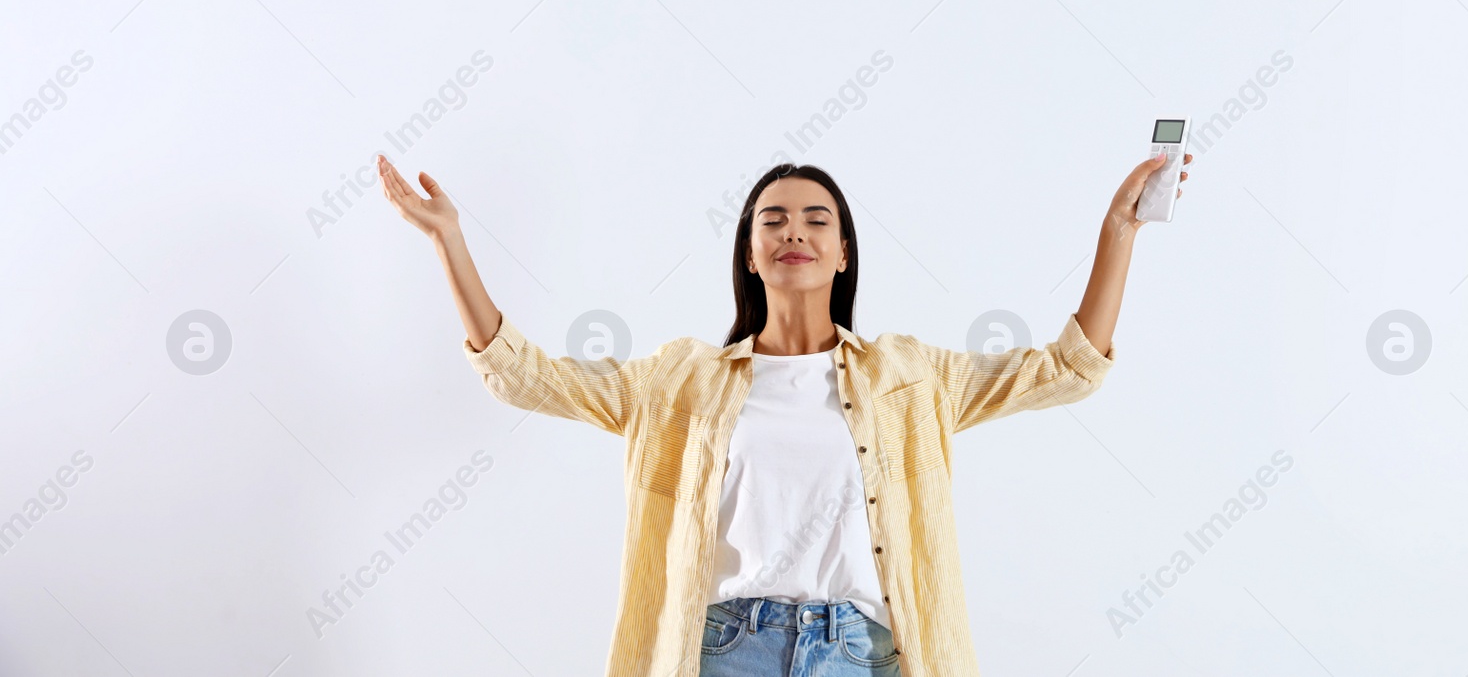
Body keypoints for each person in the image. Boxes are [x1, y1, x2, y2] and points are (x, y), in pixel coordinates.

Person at [378, 150, 1188, 677]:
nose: (792, 230)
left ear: (843, 253)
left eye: (815, 219)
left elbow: (1066, 371)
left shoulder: (912, 377)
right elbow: (525, 378)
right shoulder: (680, 381)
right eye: (773, 219)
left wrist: (1120, 232)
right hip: (725, 650)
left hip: (863, 653)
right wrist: (449, 241)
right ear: (750, 251)